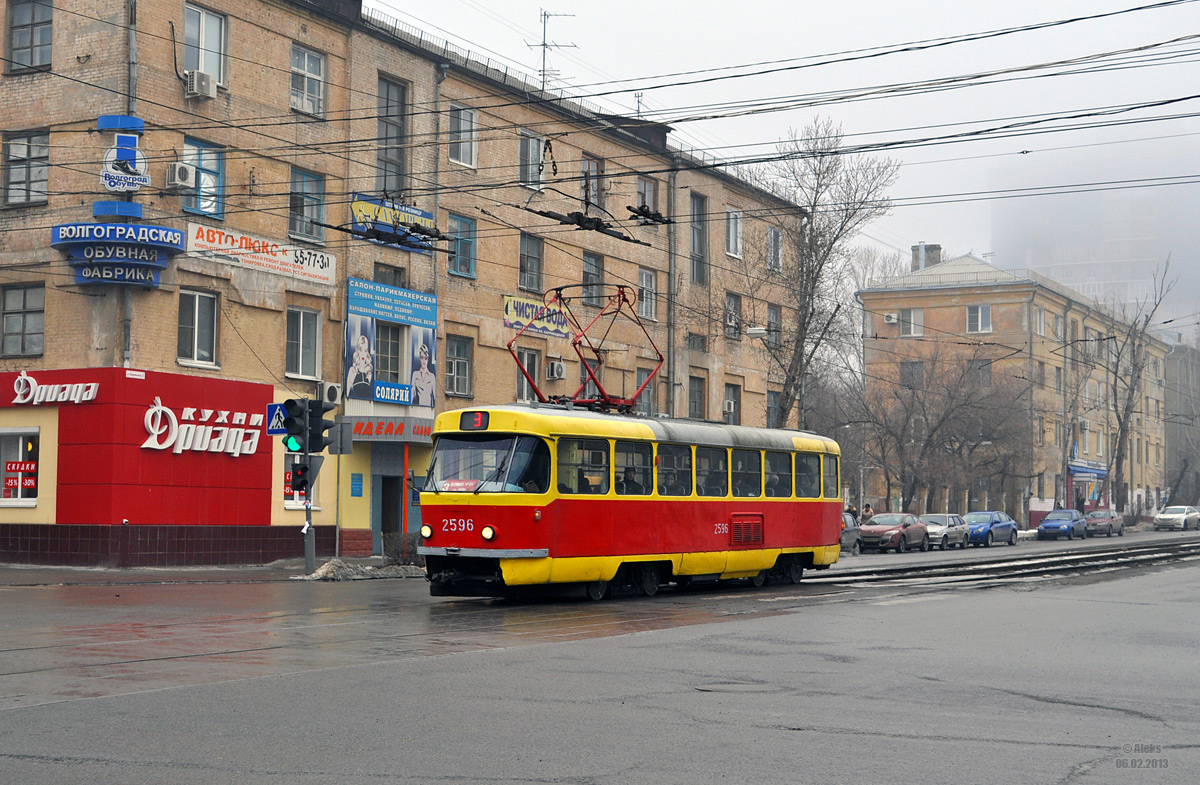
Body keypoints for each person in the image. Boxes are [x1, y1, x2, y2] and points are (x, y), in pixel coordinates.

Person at [347, 333, 373, 398]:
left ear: (367, 352)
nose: (363, 354)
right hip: (353, 405)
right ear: (358, 351)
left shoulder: (369, 373)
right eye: (361, 350)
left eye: (365, 350)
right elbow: (347, 393)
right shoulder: (352, 370)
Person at [410, 342, 436, 407]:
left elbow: (435, 397)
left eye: (425, 358)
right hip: (417, 409)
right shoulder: (415, 375)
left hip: (428, 411)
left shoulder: (432, 377)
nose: (424, 361)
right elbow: (411, 394)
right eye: (422, 358)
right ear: (419, 358)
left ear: (428, 359)